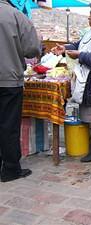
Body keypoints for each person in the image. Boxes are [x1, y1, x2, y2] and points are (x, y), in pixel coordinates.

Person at [52, 1, 91, 162]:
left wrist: (79, 55)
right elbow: (78, 45)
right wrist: (65, 48)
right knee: (90, 118)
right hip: (88, 82)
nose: (89, 17)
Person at [0, 0, 41, 182]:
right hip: (8, 79)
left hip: (8, 78)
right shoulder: (16, 15)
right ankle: (10, 169)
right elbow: (31, 49)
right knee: (9, 125)